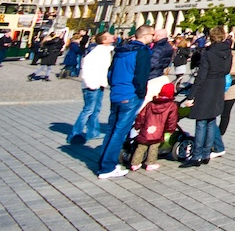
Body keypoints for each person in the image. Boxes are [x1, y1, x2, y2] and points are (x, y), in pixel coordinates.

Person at [97, 25, 154, 179]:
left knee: (111, 130)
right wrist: (141, 93)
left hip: (117, 92)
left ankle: (103, 162)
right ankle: (107, 167)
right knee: (120, 132)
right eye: (152, 34)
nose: (153, 37)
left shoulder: (121, 50)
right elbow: (141, 76)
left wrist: (114, 86)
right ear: (145, 35)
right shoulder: (142, 52)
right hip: (130, 94)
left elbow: (110, 72)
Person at [182, 26, 231, 167]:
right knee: (211, 121)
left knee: (201, 122)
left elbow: (201, 76)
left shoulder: (208, 53)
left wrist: (191, 96)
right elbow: (227, 69)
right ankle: (206, 153)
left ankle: (197, 155)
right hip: (219, 86)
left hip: (207, 87)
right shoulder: (228, 52)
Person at [69, 31, 114, 144]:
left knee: (96, 109)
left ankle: (93, 132)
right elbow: (87, 66)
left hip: (99, 84)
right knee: (88, 110)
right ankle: (75, 133)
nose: (112, 36)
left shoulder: (106, 51)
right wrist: (91, 84)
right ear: (104, 40)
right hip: (92, 85)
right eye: (109, 36)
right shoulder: (97, 52)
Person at [130, 82, 179, 172]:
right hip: (159, 131)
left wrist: (137, 126)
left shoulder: (151, 103)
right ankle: (150, 163)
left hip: (146, 129)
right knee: (154, 147)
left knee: (141, 146)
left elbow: (142, 115)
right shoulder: (172, 106)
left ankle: (135, 164)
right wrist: (170, 129)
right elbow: (172, 120)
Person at [145, 28, 173, 104]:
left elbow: (152, 62)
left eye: (154, 35)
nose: (153, 37)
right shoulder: (168, 46)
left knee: (147, 97)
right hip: (159, 71)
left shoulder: (159, 47)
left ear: (158, 36)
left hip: (152, 74)